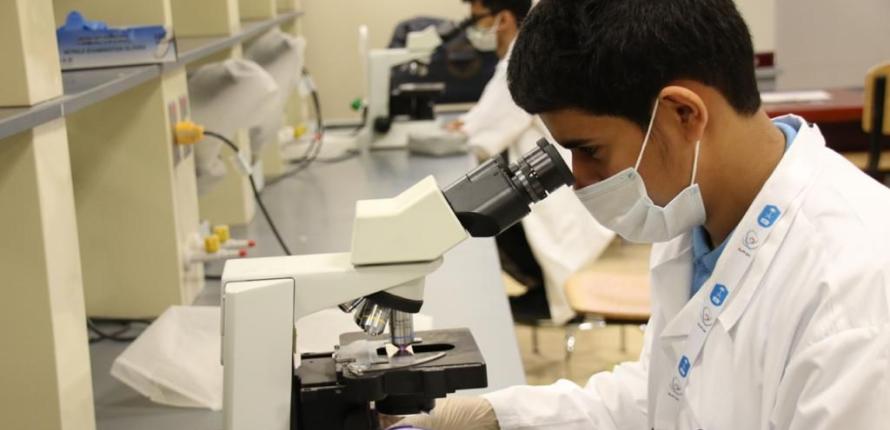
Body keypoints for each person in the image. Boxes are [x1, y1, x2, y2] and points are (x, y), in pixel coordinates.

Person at [390, 0, 890, 429]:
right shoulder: (696, 210)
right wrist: (498, 417)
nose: (578, 178)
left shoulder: (852, 295)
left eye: (589, 149)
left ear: (683, 114)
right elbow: (666, 392)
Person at [453, 0, 615, 325]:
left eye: (476, 20)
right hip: (550, 177)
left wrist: (461, 129)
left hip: (553, 185)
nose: (473, 30)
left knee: (489, 215)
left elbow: (481, 134)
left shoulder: (520, 61)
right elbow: (481, 121)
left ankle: (546, 297)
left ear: (503, 18)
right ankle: (543, 292)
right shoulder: (519, 55)